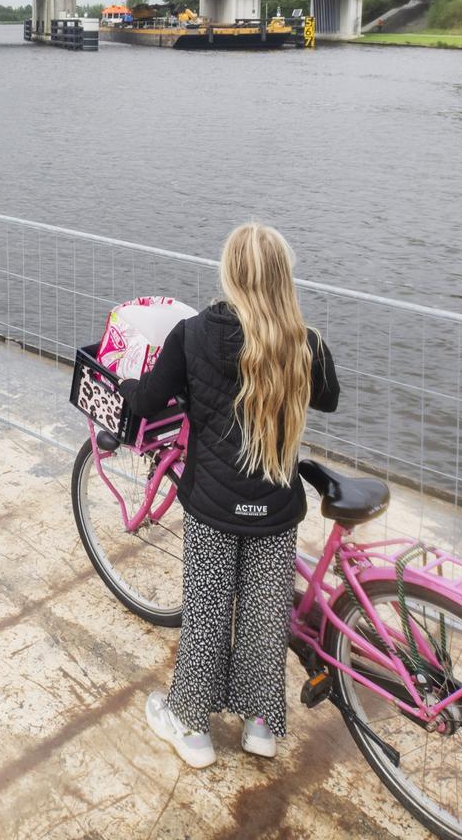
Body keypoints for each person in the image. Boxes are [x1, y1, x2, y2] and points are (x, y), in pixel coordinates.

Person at [118, 222, 340, 768]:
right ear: (283, 279)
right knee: (266, 617)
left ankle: (191, 727)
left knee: (207, 613)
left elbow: (147, 401)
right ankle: (261, 725)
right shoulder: (303, 342)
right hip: (277, 508)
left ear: (231, 274)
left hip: (214, 507)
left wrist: (125, 385)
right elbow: (330, 398)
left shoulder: (193, 334)